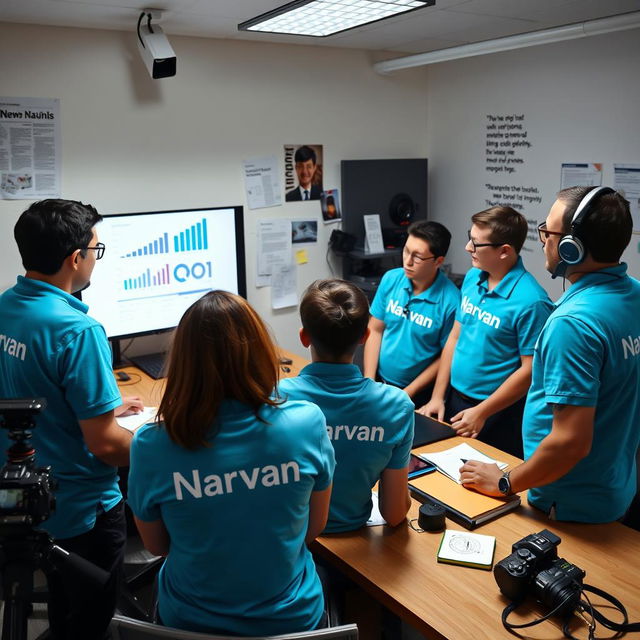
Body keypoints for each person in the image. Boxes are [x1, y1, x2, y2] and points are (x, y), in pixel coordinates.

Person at [127, 291, 335, 636]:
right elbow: (314, 527)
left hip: (190, 624)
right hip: (291, 622)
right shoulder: (306, 423)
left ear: (183, 362)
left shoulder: (151, 444)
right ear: (261, 353)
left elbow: (156, 546)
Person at [0, 199, 142, 640]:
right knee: (89, 622)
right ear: (74, 259)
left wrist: (98, 405)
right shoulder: (78, 331)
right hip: (83, 509)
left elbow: (24, 386)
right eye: (96, 251)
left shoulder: (7, 307)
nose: (95, 261)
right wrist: (168, 444)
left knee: (60, 604)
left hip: (24, 494)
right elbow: (106, 446)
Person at [460, 187, 640, 523]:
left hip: (570, 501)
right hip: (617, 484)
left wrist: (504, 482)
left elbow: (569, 443)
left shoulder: (574, 324)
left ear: (573, 246)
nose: (543, 239)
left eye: (549, 231)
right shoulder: (634, 294)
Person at [279, 279, 414, 532]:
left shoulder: (278, 397)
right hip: (358, 537)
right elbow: (394, 514)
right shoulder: (396, 406)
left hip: (296, 538)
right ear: (364, 336)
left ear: (304, 337)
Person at [419, 206, 552, 458]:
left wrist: (483, 412)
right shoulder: (473, 277)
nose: (468, 247)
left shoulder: (532, 302)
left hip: (497, 411)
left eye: (477, 244)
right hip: (455, 398)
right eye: (470, 237)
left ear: (504, 251)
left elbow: (530, 370)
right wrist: (437, 396)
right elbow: (455, 337)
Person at [364, 220, 460, 407]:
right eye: (406, 251)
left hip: (418, 394)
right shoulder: (391, 279)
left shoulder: (451, 301)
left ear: (438, 261)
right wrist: (369, 380)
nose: (407, 261)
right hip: (378, 381)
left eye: (417, 257)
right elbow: (375, 330)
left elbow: (445, 356)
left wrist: (408, 392)